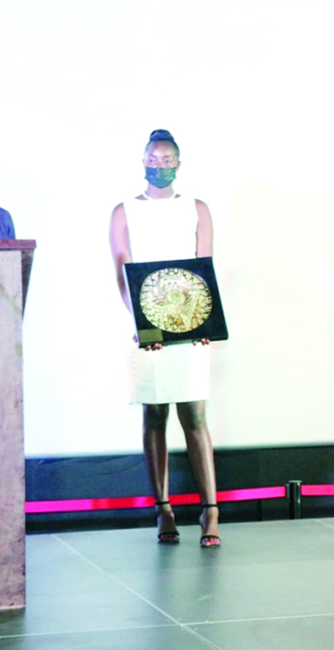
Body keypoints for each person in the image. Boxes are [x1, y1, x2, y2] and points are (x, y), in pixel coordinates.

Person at [108, 129, 221, 548]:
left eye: (166, 159)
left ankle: (210, 512)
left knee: (194, 415)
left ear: (178, 162)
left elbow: (203, 265)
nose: (159, 165)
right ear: (142, 162)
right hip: (145, 324)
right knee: (155, 415)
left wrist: (198, 322)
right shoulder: (123, 211)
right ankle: (164, 508)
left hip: (190, 322)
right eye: (152, 159)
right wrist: (145, 323)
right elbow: (122, 268)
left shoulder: (197, 208)